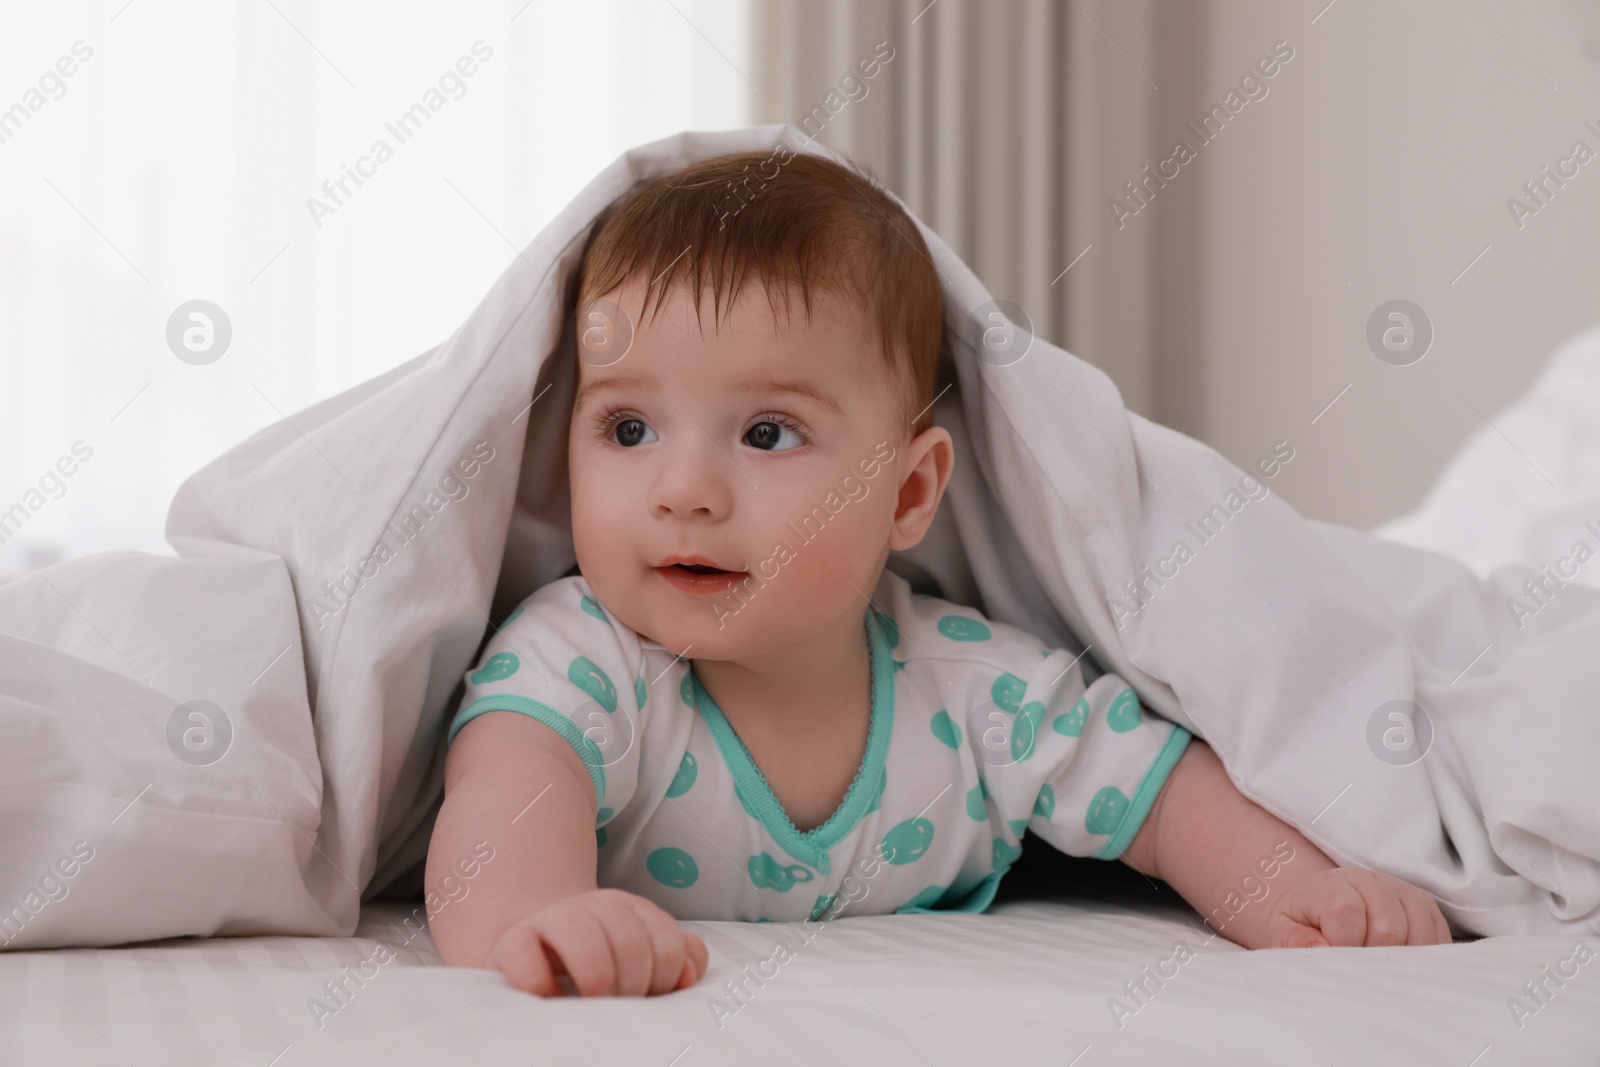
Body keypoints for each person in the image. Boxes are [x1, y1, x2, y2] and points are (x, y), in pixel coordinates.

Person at [425, 149, 1451, 998]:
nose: (683, 488)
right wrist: (540, 916)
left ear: (909, 496)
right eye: (629, 426)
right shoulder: (582, 659)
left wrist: (1295, 892)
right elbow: (501, 802)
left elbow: (1162, 797)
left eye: (769, 430)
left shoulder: (978, 692)